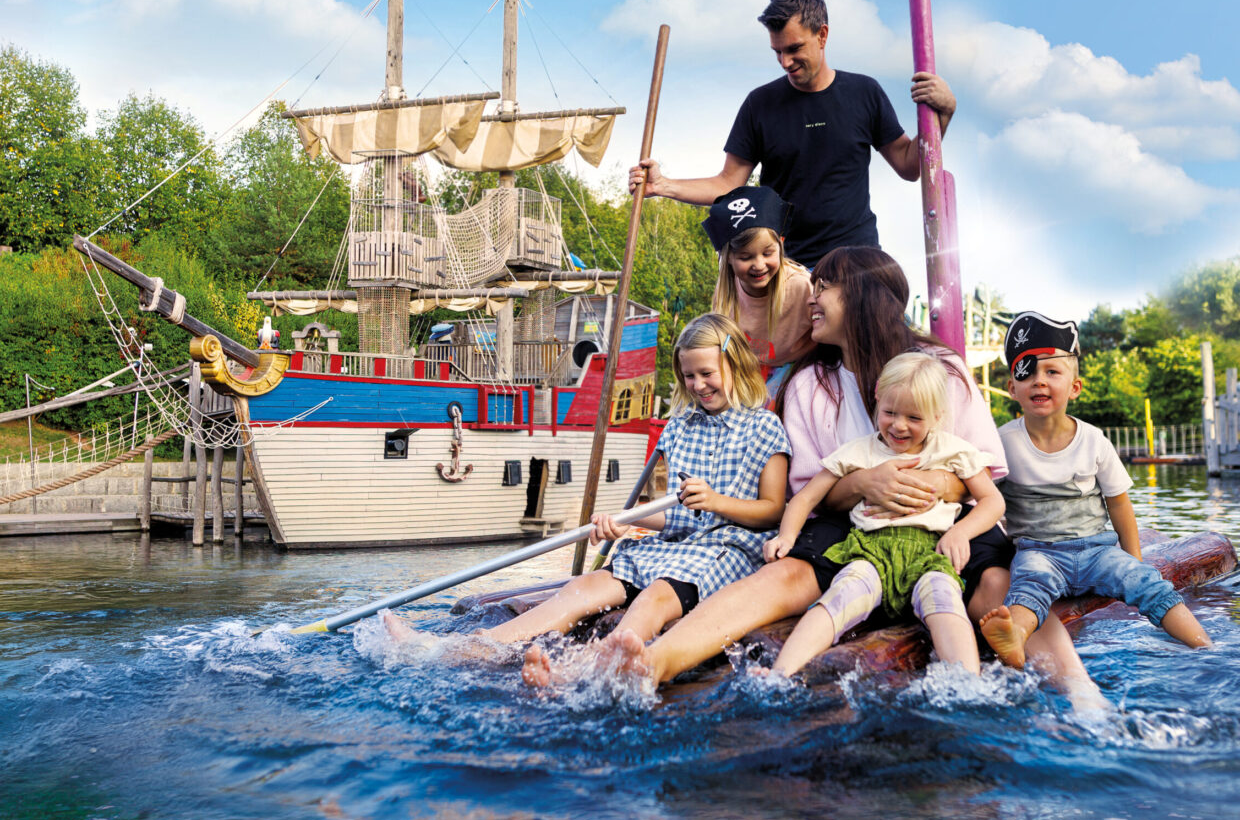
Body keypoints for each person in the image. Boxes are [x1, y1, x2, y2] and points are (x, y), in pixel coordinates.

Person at [590, 248, 1099, 705]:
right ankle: (654, 662)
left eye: (825, 287)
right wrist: (865, 484)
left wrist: (927, 486)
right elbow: (807, 494)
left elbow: (982, 472)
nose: (811, 298)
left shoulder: (941, 369)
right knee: (784, 575)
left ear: (863, 297)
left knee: (997, 582)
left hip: (946, 520)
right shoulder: (811, 384)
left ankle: (1081, 694)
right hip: (851, 523)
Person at [381, 313, 790, 682]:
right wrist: (626, 520)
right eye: (688, 376)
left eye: (707, 373)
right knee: (583, 587)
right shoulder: (679, 427)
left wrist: (717, 501)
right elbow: (678, 518)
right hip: (674, 548)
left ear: (734, 365)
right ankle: (455, 649)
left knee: (657, 595)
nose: (697, 385)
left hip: (727, 551)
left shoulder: (764, 426)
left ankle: (585, 671)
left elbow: (773, 511)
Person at [628, 0, 957, 267]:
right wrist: (663, 186)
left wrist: (943, 114)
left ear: (822, 34)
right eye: (778, 51)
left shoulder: (864, 93)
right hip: (786, 266)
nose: (785, 62)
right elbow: (728, 183)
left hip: (857, 262)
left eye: (794, 48)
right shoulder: (760, 104)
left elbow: (910, 165)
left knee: (893, 339)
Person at [980, 312, 1212, 668]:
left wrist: (1132, 560)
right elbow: (985, 497)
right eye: (1027, 372)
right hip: (1038, 551)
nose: (1039, 381)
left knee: (1147, 584)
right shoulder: (1002, 442)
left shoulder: (1093, 440)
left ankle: (1204, 645)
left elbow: (1119, 504)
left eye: (1052, 372)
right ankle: (1014, 635)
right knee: (1029, 585)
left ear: (1074, 387)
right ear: (1013, 387)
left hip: (1095, 550)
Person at [765, 352, 1005, 678]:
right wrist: (786, 537)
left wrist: (960, 532)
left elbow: (993, 500)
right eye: (890, 412)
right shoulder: (859, 451)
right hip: (869, 551)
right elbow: (806, 497)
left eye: (915, 418)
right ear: (878, 398)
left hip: (930, 554)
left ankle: (967, 684)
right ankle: (780, 673)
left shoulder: (952, 450)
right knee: (839, 597)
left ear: (937, 416)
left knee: (945, 600)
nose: (899, 425)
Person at [702, 185, 813, 391]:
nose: (759, 265)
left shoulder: (801, 286)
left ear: (780, 244)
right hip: (751, 370)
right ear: (729, 258)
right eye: (745, 257)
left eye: (767, 253)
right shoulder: (726, 290)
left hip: (799, 369)